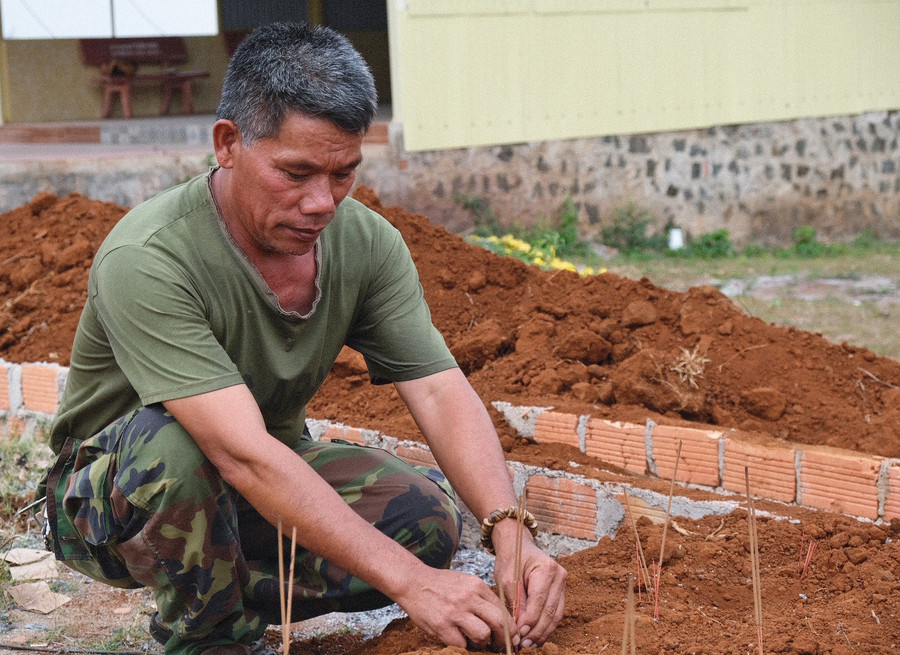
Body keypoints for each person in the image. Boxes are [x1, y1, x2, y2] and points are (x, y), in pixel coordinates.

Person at [38, 21, 566, 655]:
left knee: (423, 521)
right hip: (111, 497)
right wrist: (412, 586)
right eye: (296, 173)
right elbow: (237, 452)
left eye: (343, 173)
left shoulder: (365, 244)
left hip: (251, 478)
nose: (322, 202)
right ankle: (209, 637)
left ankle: (225, 589)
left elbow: (440, 392)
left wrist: (512, 536)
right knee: (174, 442)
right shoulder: (150, 256)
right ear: (228, 144)